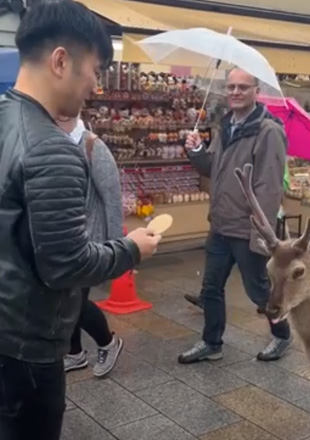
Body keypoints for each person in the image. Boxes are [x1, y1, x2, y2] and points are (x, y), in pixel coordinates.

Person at [0, 1, 160, 439]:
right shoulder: (52, 149)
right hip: (30, 345)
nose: (94, 86)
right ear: (60, 61)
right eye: (93, 69)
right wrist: (131, 249)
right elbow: (65, 265)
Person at [178, 67, 292, 364]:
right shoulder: (225, 125)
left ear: (256, 90)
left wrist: (262, 236)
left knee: (259, 291)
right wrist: (197, 150)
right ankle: (211, 342)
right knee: (211, 287)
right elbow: (213, 169)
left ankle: (282, 335)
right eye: (231, 87)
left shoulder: (268, 131)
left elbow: (268, 188)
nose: (235, 92)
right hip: (220, 225)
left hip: (247, 229)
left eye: (243, 87)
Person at [56, 116, 125, 377]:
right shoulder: (52, 145)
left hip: (88, 240)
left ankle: (108, 342)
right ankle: (75, 353)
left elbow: (112, 200)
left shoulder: (92, 146)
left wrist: (117, 249)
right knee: (66, 296)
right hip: (61, 237)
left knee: (73, 301)